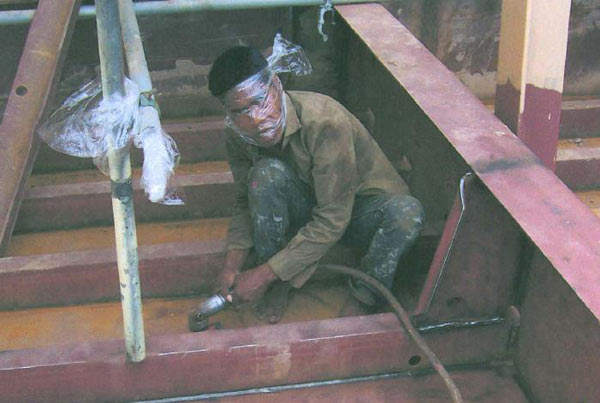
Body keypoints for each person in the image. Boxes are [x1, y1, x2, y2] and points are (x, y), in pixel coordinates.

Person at [207, 45, 424, 322]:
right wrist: (231, 265)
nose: (256, 119)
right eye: (240, 111)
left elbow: (333, 220)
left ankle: (365, 295)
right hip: (309, 205)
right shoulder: (238, 135)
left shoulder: (325, 122)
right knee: (264, 175)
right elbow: (243, 200)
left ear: (276, 85)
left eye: (260, 101)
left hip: (357, 213)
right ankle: (278, 282)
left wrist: (261, 275)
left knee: (407, 213)